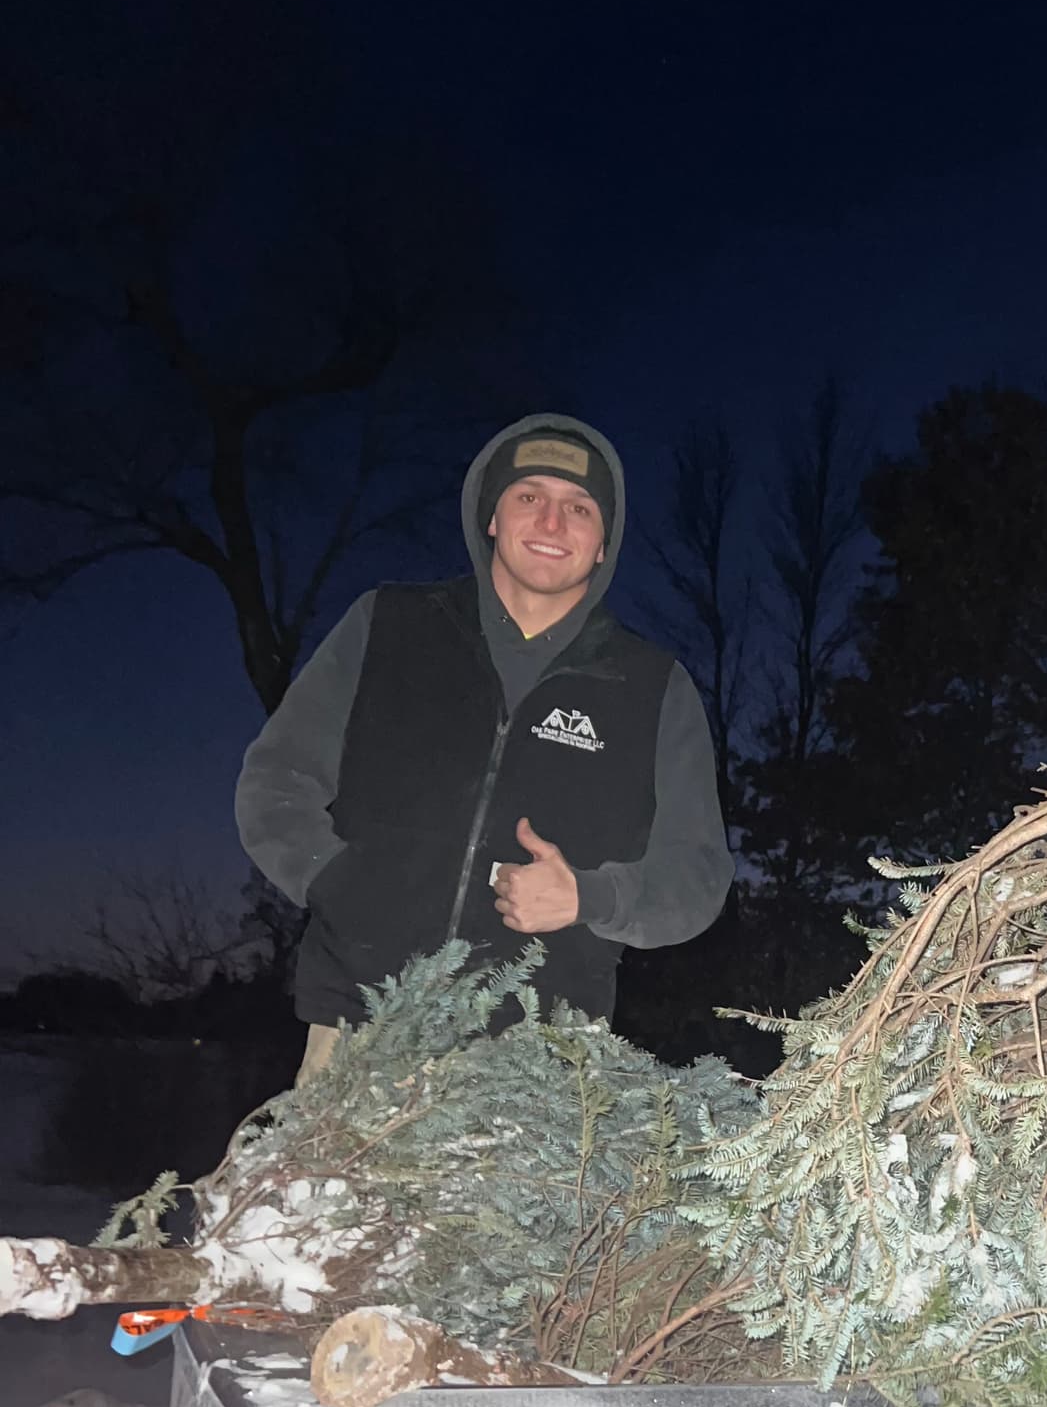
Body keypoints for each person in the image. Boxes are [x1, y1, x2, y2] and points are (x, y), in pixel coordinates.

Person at [236, 413, 731, 1077]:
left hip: (542, 1062)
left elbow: (699, 876)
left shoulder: (654, 687)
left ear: (603, 543)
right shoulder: (388, 626)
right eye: (529, 496)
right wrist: (337, 881)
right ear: (492, 518)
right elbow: (275, 782)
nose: (552, 522)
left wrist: (589, 898)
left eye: (579, 508)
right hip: (360, 1030)